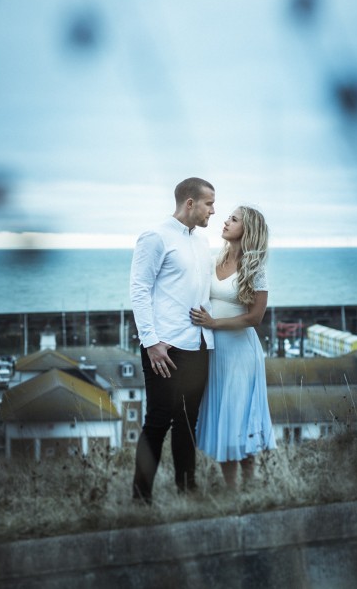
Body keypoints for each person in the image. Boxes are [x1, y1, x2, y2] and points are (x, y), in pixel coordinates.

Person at [129, 177, 216, 503]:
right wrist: (151, 342)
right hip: (164, 348)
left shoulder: (202, 242)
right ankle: (140, 498)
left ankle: (187, 491)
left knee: (187, 424)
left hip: (198, 345)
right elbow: (139, 289)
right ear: (190, 202)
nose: (213, 210)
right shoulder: (155, 236)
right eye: (209, 203)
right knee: (157, 421)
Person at [190, 205, 276, 489]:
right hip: (215, 353)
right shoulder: (217, 258)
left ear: (247, 229)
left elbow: (255, 317)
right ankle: (231, 493)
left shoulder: (256, 267)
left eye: (234, 219)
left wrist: (213, 324)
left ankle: (250, 488)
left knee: (241, 416)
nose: (225, 221)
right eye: (228, 217)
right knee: (224, 419)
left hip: (241, 353)